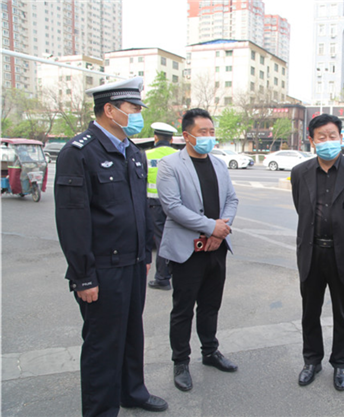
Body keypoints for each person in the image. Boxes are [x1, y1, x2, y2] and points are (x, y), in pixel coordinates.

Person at [54, 77, 168, 416]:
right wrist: (83, 276)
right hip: (102, 268)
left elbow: (141, 208)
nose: (138, 115)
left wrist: (145, 253)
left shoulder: (133, 152)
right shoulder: (79, 152)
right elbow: (73, 220)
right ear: (109, 109)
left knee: (132, 332)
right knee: (103, 344)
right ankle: (101, 410)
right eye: (133, 108)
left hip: (133, 264)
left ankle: (132, 391)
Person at [156, 108, 239, 392]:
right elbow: (172, 206)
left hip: (217, 247)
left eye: (211, 132)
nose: (208, 137)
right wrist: (211, 227)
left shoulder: (219, 164)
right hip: (187, 249)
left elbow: (232, 199)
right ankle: (180, 361)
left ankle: (210, 351)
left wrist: (221, 229)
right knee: (183, 309)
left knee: (211, 305)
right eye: (202, 132)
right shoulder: (170, 164)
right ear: (186, 135)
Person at [291, 114, 344, 391]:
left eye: (332, 136)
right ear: (312, 140)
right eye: (321, 137)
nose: (328, 141)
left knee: (343, 312)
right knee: (309, 311)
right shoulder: (300, 172)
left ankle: (341, 363)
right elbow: (301, 207)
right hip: (312, 252)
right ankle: (312, 361)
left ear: (341, 137)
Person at [146, 122, 178, 290]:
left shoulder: (146, 155)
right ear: (172, 139)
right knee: (175, 239)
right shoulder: (180, 156)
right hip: (176, 205)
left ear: (155, 138)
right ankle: (177, 275)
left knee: (161, 240)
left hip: (154, 204)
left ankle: (162, 278)